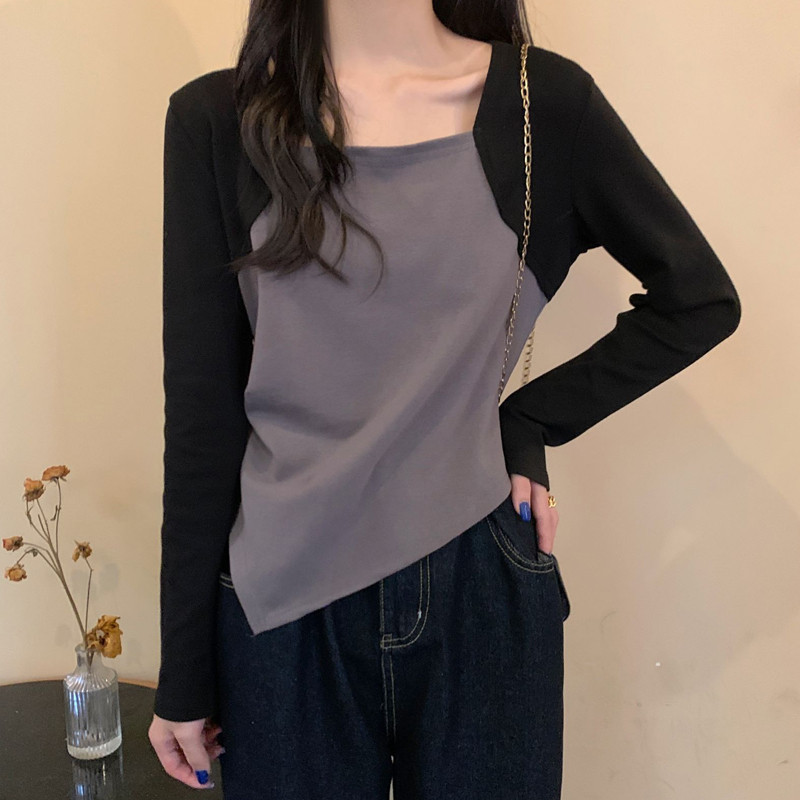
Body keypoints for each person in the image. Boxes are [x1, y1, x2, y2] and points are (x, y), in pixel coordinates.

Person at [147, 1, 742, 797]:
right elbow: (203, 413)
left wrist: (524, 422)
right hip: (283, 604)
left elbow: (697, 299)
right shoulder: (218, 121)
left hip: (481, 581)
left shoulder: (541, 106)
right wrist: (184, 670)